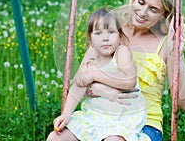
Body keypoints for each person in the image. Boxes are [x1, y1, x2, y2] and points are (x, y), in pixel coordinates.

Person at [74, 0, 185, 141]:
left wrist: (176, 54)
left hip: (145, 124)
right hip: (101, 115)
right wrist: (95, 89)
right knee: (56, 137)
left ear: (165, 15)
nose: (142, 12)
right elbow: (79, 81)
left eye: (153, 9)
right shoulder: (110, 32)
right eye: (140, 2)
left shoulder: (165, 44)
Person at [47, 8, 148, 141]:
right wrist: (65, 115)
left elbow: (129, 82)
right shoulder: (91, 54)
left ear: (120, 35)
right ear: (90, 39)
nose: (105, 38)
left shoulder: (121, 52)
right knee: (55, 137)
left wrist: (95, 75)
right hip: (94, 115)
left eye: (111, 32)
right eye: (98, 33)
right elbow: (79, 83)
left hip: (122, 117)